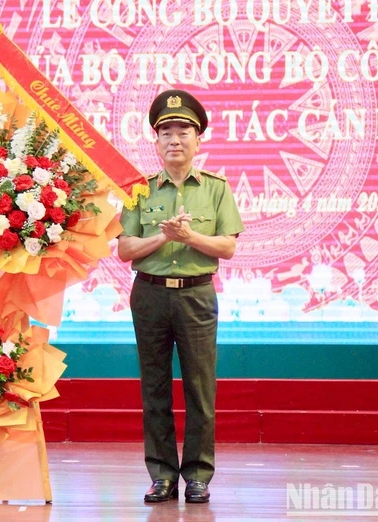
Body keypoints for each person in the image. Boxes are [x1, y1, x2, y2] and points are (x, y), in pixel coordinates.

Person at [117, 89, 244, 504]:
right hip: (150, 296)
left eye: (183, 131)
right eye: (166, 132)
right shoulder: (138, 190)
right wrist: (162, 237)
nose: (175, 139)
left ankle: (198, 475)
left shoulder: (216, 189)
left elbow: (226, 246)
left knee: (199, 389)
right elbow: (125, 250)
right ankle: (161, 475)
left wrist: (190, 236)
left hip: (196, 296)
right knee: (153, 388)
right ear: (155, 141)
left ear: (198, 139)